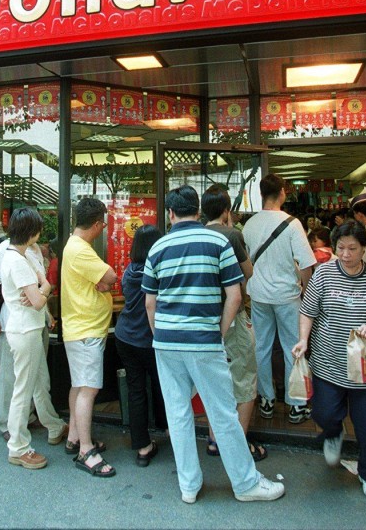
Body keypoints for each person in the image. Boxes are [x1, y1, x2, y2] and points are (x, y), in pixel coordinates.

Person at [143, 185, 284, 504]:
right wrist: (218, 333)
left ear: (170, 213)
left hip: (166, 342)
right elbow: (235, 296)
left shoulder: (158, 247)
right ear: (198, 210)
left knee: (177, 413)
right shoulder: (218, 241)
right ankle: (246, 484)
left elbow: (150, 303)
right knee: (222, 412)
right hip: (204, 342)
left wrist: (160, 336)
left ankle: (189, 486)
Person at [294, 219, 366, 501]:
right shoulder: (323, 274)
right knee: (324, 412)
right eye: (341, 248)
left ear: (365, 248)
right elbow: (308, 311)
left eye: (353, 248)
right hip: (328, 361)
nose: (346, 254)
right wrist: (303, 340)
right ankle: (333, 432)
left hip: (365, 366)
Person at [242, 174, 316, 424]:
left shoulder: (250, 224)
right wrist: (307, 291)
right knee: (293, 348)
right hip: (287, 296)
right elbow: (306, 264)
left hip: (259, 295)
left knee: (261, 347)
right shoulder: (292, 223)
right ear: (282, 193)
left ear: (261, 194)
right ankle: (296, 404)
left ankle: (266, 399)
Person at [202, 185, 266, 462]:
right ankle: (237, 446)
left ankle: (215, 438)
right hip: (233, 317)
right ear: (227, 210)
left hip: (204, 319)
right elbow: (248, 271)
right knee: (245, 379)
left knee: (215, 381)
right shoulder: (231, 234)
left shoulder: (196, 234)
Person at [0, 233, 68, 448]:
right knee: (12, 375)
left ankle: (44, 420)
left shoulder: (35, 251)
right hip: (15, 323)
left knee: (39, 377)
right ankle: (8, 425)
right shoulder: (6, 249)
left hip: (36, 320)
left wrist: (47, 313)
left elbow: (41, 289)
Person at [61, 197, 117, 475]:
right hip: (86, 330)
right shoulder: (81, 250)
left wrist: (102, 284)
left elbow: (104, 281)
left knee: (78, 386)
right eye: (103, 224)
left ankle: (74, 437)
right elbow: (112, 276)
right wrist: (103, 285)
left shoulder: (73, 246)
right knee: (88, 390)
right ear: (96, 224)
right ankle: (86, 450)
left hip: (78, 328)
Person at [0, 208, 56, 471]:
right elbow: (37, 301)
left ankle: (22, 442)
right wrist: (44, 290)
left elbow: (43, 287)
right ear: (31, 232)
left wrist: (43, 289)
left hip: (21, 328)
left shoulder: (19, 256)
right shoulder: (18, 261)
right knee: (23, 390)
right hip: (25, 330)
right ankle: (19, 447)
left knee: (26, 387)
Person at [115, 223, 167, 466]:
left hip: (125, 336)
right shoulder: (158, 271)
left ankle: (142, 448)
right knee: (165, 387)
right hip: (150, 340)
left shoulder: (128, 271)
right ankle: (167, 429)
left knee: (136, 391)